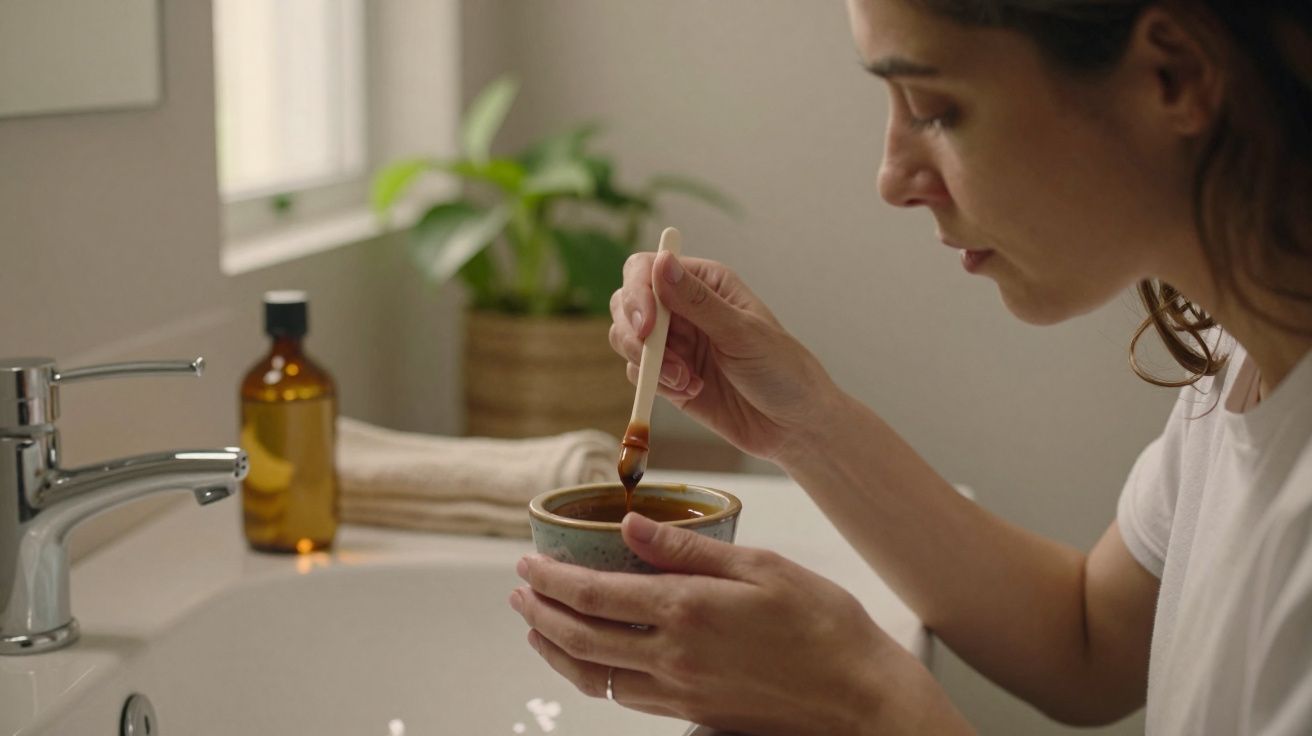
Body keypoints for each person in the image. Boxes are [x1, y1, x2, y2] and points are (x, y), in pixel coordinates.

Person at [507, 1, 1312, 733]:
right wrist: (805, 426)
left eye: (935, 109)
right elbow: (1088, 640)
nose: (891, 178)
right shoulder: (1247, 352)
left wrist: (864, 700)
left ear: (1172, 76)